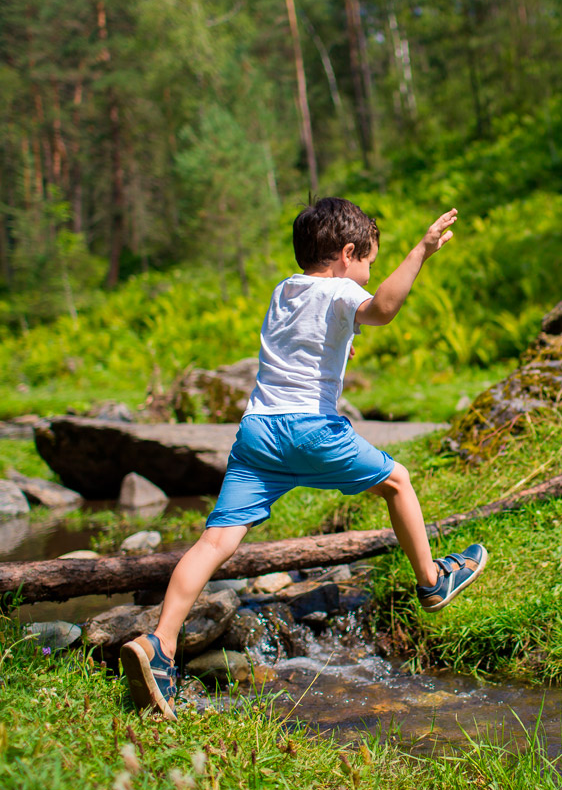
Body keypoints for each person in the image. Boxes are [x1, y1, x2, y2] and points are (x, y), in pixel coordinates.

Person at [121, 197, 488, 720]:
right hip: (310, 430)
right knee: (398, 482)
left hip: (258, 434)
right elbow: (381, 308)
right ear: (346, 254)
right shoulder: (342, 289)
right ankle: (431, 581)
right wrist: (421, 251)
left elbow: (306, 339)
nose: (368, 275)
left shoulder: (284, 291)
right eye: (369, 263)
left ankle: (161, 644)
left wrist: (342, 342)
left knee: (216, 541)